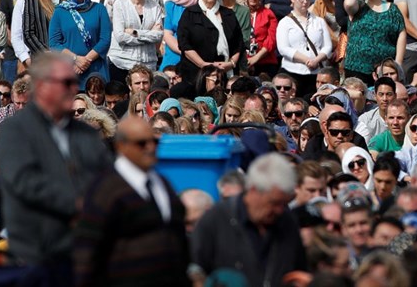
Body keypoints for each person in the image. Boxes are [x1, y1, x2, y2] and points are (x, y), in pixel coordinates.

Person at [0, 52, 112, 282]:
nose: (73, 88)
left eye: (74, 82)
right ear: (41, 85)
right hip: (38, 253)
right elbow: (26, 182)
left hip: (87, 250)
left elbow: (106, 177)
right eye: (66, 82)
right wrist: (79, 204)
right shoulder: (15, 131)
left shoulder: (86, 134)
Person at [74, 117, 188, 287]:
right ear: (122, 146)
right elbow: (88, 251)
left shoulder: (161, 183)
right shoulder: (106, 189)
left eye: (154, 142)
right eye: (142, 143)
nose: (150, 148)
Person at [192, 153, 306, 285]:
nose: (279, 210)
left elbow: (298, 269)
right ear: (253, 190)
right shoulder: (216, 220)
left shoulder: (287, 222)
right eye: (274, 203)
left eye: (284, 203)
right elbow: (196, 270)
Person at [175, 0, 243, 90]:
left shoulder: (228, 14)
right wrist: (203, 65)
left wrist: (231, 64)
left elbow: (239, 44)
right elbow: (184, 44)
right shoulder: (190, 14)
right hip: (196, 73)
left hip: (225, 71)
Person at [48, 0, 112, 89]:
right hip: (69, 70)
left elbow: (105, 40)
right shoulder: (60, 11)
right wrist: (76, 59)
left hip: (96, 69)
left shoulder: (99, 9)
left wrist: (85, 61)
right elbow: (54, 43)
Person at [343, 0, 406, 81]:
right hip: (356, 67)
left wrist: (398, 64)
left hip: (384, 69)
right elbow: (348, 4)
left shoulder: (393, 9)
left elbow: (401, 33)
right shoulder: (359, 5)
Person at [107, 0, 165, 82]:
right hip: (121, 62)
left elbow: (158, 36)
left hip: (147, 64)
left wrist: (134, 32)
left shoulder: (155, 7)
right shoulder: (119, 5)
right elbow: (120, 36)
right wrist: (149, 35)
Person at [276, 0, 333, 97]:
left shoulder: (319, 21)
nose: (305, 2)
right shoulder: (284, 22)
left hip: (314, 73)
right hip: (292, 72)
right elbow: (283, 48)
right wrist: (306, 60)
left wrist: (316, 60)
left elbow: (328, 46)